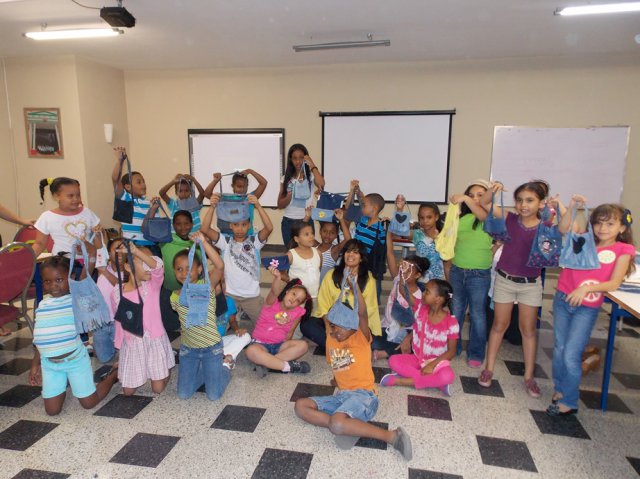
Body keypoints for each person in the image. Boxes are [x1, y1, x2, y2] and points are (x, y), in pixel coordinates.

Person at [293, 272, 413, 461]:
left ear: (354, 326)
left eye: (342, 326)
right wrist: (336, 380)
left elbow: (362, 313)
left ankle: (391, 436)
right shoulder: (331, 340)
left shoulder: (361, 337)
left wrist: (354, 287)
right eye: (333, 325)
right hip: (342, 396)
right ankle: (347, 425)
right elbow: (338, 367)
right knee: (301, 406)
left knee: (337, 424)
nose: (336, 331)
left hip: (365, 396)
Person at [548, 199, 635, 416]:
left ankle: (569, 400)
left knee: (571, 354)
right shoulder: (584, 239)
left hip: (586, 308)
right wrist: (566, 205)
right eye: (598, 223)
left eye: (610, 224)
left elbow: (614, 283)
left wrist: (586, 290)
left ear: (622, 228)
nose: (603, 228)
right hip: (563, 299)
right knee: (559, 349)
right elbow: (565, 227)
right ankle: (560, 389)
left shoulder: (623, 249)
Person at [477, 180, 548, 398]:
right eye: (519, 200)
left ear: (541, 203)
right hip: (505, 281)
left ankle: (529, 377)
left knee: (528, 330)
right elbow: (484, 202)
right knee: (499, 325)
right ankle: (488, 368)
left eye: (530, 200)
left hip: (530, 285)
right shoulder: (508, 218)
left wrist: (565, 208)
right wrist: (493, 190)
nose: (523, 205)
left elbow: (570, 229)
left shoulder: (545, 227)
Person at [28, 254, 119, 416]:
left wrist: (89, 250)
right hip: (50, 364)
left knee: (89, 403)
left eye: (59, 280)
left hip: (75, 361)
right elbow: (41, 338)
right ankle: (62, 383)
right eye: (47, 281)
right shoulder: (42, 304)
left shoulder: (75, 300)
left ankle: (113, 375)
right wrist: (35, 364)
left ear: (71, 278)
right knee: (52, 411)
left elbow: (88, 268)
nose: (53, 286)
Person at [171, 233, 238, 400]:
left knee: (213, 396)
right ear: (173, 271)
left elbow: (220, 266)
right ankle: (206, 373)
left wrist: (203, 242)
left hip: (212, 350)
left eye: (189, 268)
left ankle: (225, 367)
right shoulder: (174, 296)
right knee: (183, 394)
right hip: (188, 350)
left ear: (200, 269)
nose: (184, 273)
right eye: (179, 269)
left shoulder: (206, 286)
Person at [111, 243, 175, 395]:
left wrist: (135, 251)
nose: (149, 267)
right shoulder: (117, 292)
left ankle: (166, 366)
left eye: (148, 261)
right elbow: (118, 321)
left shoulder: (152, 285)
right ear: (127, 267)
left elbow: (158, 266)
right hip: (132, 343)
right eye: (143, 262)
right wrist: (119, 346)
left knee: (157, 389)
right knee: (128, 392)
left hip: (154, 340)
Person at [201, 192, 273, 322]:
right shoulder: (225, 242)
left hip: (252, 296)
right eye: (236, 225)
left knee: (265, 324)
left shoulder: (254, 241)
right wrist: (212, 207)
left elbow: (269, 228)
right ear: (230, 226)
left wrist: (258, 206)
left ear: (249, 226)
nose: (240, 229)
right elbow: (205, 229)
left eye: (244, 225)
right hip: (230, 295)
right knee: (222, 324)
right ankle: (235, 318)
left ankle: (243, 315)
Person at [381, 279, 458, 396]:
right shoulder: (420, 308)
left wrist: (431, 365)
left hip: (436, 362)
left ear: (438, 299)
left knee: (448, 376)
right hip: (417, 358)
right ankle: (436, 382)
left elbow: (452, 352)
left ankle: (402, 381)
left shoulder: (451, 322)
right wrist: (403, 275)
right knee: (393, 361)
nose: (423, 293)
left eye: (427, 292)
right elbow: (403, 291)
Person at [302, 239, 381, 352]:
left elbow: (368, 312)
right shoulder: (331, 275)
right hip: (333, 321)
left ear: (361, 258)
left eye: (355, 252)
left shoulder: (368, 279)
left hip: (356, 325)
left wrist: (349, 331)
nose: (350, 255)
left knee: (375, 341)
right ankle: (345, 347)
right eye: (347, 251)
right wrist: (329, 328)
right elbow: (323, 305)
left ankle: (333, 345)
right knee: (307, 325)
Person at [447, 180, 492, 368]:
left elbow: (481, 216)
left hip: (479, 275)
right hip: (458, 271)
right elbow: (450, 241)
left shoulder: (489, 217)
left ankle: (476, 353)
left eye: (480, 195)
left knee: (477, 314)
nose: (475, 198)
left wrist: (465, 197)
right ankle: (453, 348)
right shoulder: (462, 217)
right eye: (471, 195)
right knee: (455, 312)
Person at [372, 226, 429, 360]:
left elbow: (405, 295)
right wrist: (389, 233)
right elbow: (390, 254)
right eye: (402, 267)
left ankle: (386, 353)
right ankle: (392, 349)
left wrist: (408, 338)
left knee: (416, 346)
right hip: (387, 326)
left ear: (417, 275)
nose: (403, 272)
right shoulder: (398, 278)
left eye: (408, 270)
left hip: (407, 331)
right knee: (371, 341)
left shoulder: (419, 295)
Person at [245, 266, 313, 377]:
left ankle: (267, 362)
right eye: (293, 294)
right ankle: (288, 366)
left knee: (303, 345)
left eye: (298, 300)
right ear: (287, 291)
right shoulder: (272, 302)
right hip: (260, 344)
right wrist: (277, 278)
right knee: (251, 351)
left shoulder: (298, 312)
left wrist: (289, 348)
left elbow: (290, 333)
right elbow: (274, 291)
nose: (293, 299)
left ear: (299, 304)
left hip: (279, 346)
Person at [32, 177, 100, 257]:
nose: (75, 199)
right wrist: (25, 261)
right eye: (70, 196)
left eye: (78, 195)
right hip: (61, 264)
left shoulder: (87, 213)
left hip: (88, 263)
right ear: (56, 196)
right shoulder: (47, 217)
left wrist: (100, 233)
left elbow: (100, 239)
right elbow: (39, 244)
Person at [111, 146, 158, 254]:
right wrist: (120, 160)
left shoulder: (149, 203)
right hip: (131, 247)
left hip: (151, 248)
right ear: (127, 187)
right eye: (139, 182)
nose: (144, 184)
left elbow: (153, 229)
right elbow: (115, 178)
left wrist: (153, 209)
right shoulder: (125, 199)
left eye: (144, 181)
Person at [277, 144, 325, 246]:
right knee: (291, 255)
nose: (298, 161)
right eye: (294, 158)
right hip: (288, 222)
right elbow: (280, 204)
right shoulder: (285, 178)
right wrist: (289, 195)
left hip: (306, 220)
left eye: (301, 158)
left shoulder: (311, 176)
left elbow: (321, 183)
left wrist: (312, 164)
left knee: (307, 253)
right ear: (290, 159)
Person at [203, 169, 268, 236]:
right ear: (232, 186)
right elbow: (206, 194)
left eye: (245, 187)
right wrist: (215, 180)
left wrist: (250, 171)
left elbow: (264, 183)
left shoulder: (250, 198)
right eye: (239, 186)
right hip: (227, 237)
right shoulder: (225, 199)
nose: (242, 189)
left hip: (247, 237)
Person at [350, 183, 387, 301]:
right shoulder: (362, 220)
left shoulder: (381, 225)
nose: (362, 207)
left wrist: (387, 225)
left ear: (374, 208)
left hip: (372, 264)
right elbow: (363, 202)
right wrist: (358, 193)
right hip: (358, 261)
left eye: (364, 205)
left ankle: (374, 303)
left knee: (373, 287)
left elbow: (384, 243)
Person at [94, 236, 124, 364]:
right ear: (109, 253)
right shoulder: (103, 267)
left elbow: (121, 287)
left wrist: (105, 272)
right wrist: (98, 234)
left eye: (123, 249)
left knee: (124, 355)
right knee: (104, 358)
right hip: (101, 320)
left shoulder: (130, 271)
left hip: (120, 321)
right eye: (115, 249)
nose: (119, 253)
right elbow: (99, 247)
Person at [409, 202, 445, 282]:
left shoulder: (444, 236)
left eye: (429, 217)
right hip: (421, 281)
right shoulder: (417, 234)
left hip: (439, 283)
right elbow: (400, 231)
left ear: (436, 217)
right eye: (422, 218)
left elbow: (449, 262)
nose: (425, 221)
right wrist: (399, 209)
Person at [314, 209, 351, 284]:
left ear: (336, 235)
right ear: (320, 231)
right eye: (325, 231)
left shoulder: (334, 250)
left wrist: (341, 220)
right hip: (311, 284)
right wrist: (307, 216)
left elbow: (348, 239)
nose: (327, 235)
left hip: (324, 287)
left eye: (332, 233)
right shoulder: (314, 245)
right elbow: (300, 233)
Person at [287, 221, 321, 300]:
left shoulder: (318, 253)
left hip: (314, 296)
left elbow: (318, 270)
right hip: (296, 299)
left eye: (312, 233)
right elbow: (282, 273)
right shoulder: (291, 255)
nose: (311, 236)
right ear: (296, 239)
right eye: (306, 234)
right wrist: (290, 282)